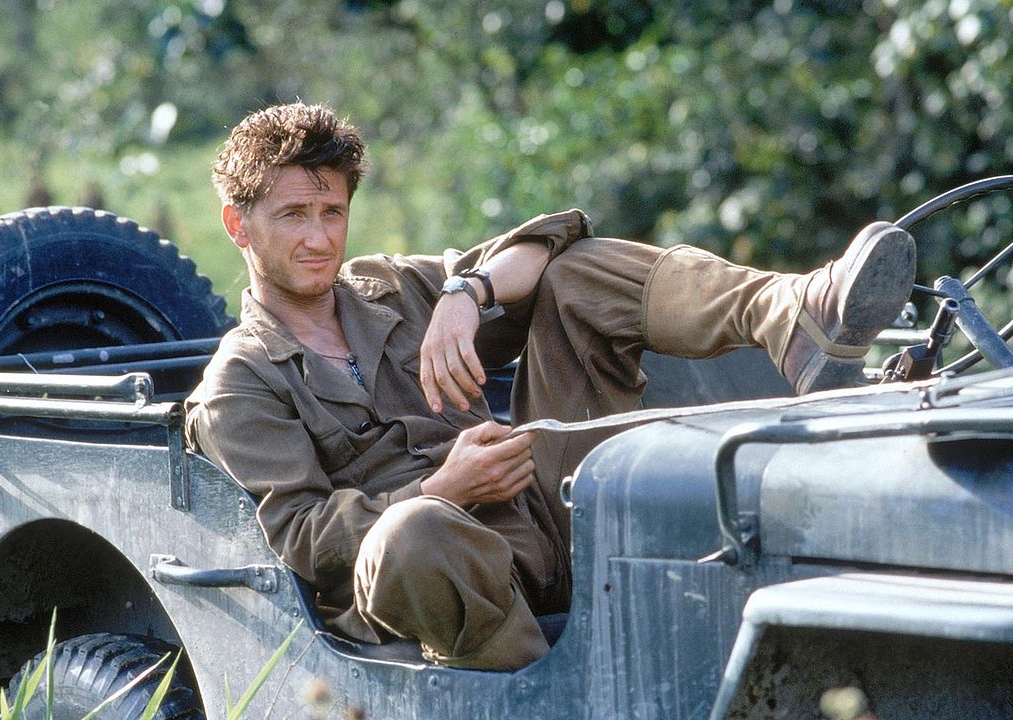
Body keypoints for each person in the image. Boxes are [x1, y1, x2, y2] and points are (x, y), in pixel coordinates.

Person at [184, 102, 916, 671]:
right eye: (292, 216)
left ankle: (794, 315)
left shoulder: (389, 288)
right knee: (414, 533)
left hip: (539, 514)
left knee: (577, 273)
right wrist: (443, 488)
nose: (318, 239)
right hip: (431, 578)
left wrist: (464, 294)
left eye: (332, 212)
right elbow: (307, 539)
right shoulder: (239, 381)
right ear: (238, 225)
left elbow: (551, 237)